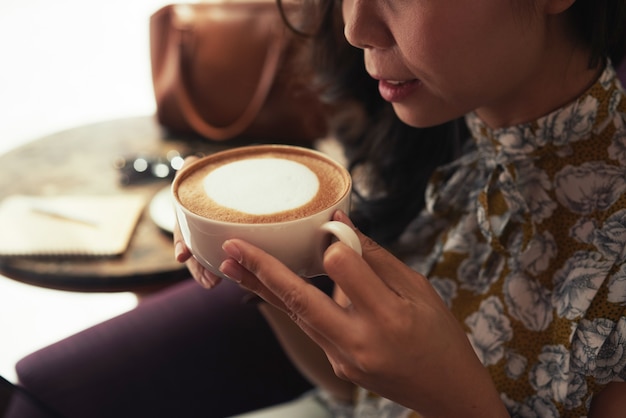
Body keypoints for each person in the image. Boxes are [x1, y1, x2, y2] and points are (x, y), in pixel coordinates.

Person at [174, 0, 626, 416]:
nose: (354, 28)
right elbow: (357, 392)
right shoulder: (431, 143)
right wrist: (246, 249)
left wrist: (459, 404)